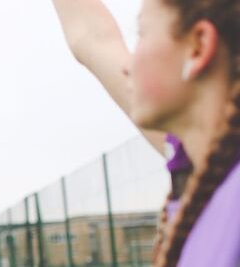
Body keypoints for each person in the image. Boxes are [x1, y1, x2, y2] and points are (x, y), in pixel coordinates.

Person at [52, 0, 240, 265]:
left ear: (198, 46)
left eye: (141, 33)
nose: (128, 66)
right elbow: (93, 38)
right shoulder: (200, 159)